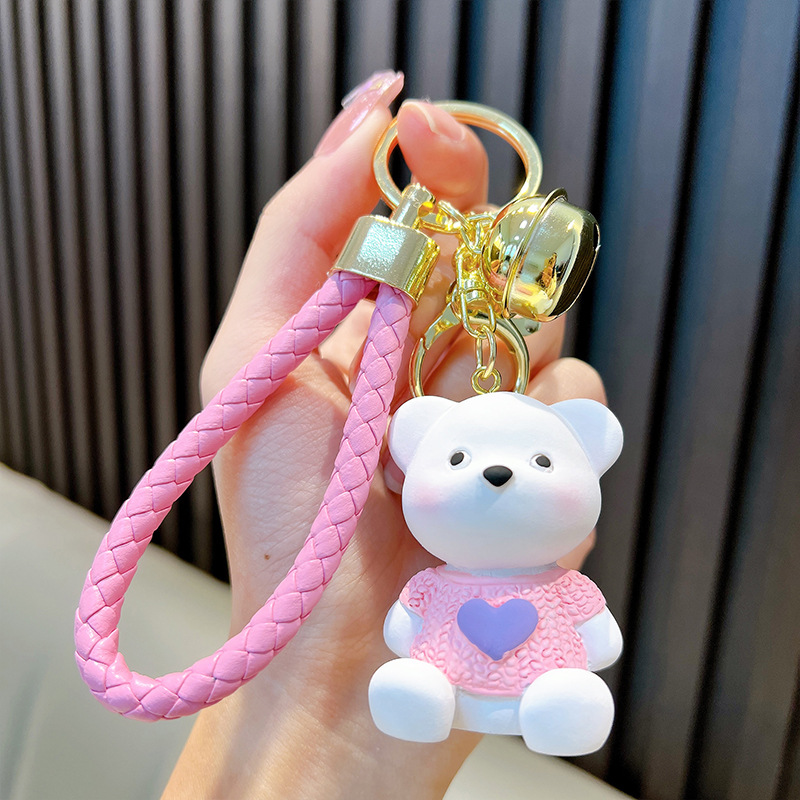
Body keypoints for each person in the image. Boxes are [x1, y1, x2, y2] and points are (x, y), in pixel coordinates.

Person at [163, 71, 605, 799]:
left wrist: (334, 721)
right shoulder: (428, 576)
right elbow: (412, 629)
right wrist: (312, 691)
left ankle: (558, 705)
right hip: (424, 677)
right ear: (415, 441)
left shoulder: (544, 580)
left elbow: (595, 635)